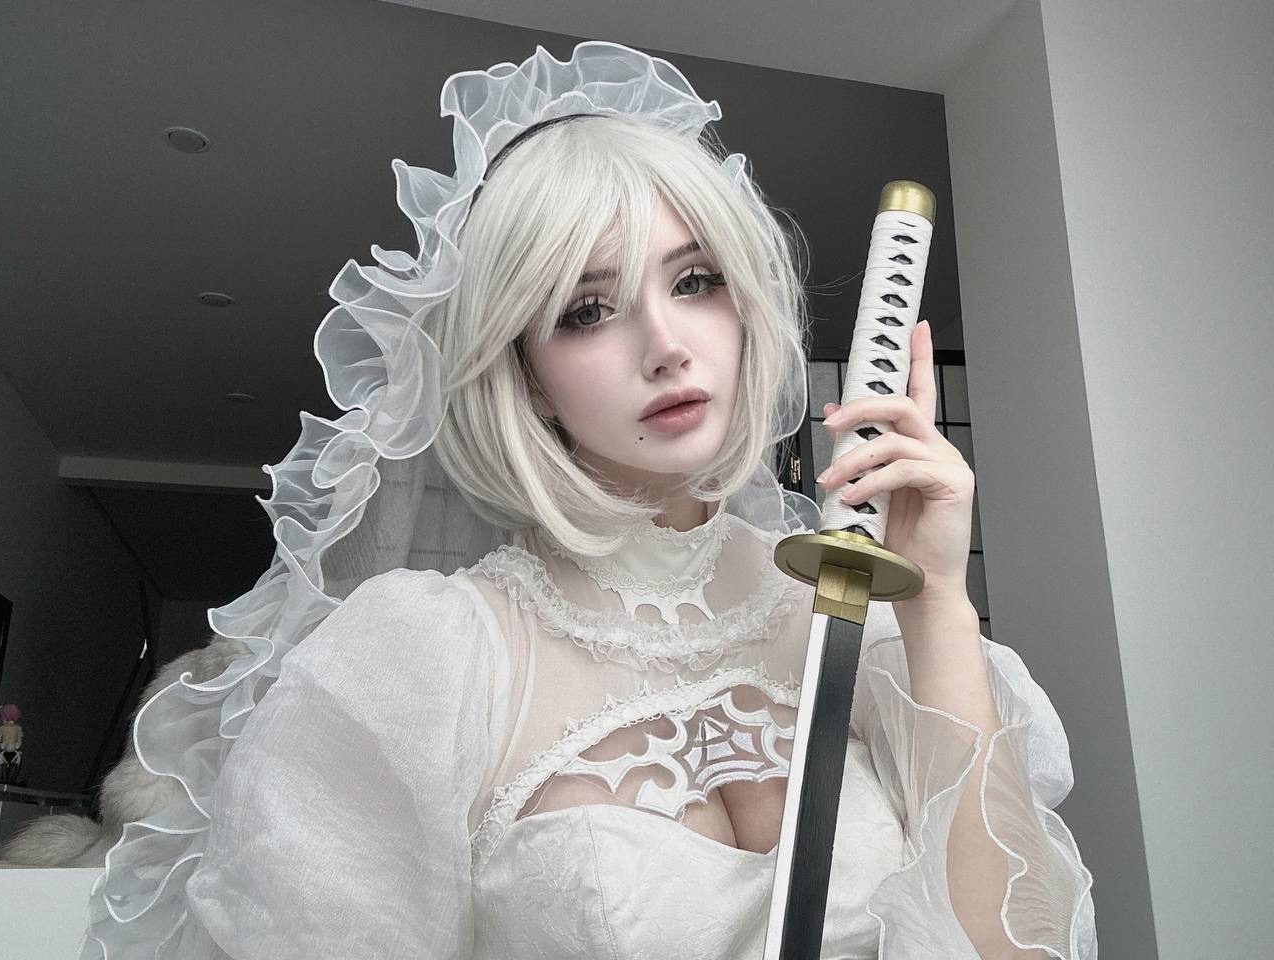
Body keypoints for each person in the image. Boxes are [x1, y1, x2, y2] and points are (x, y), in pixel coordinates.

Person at [81, 40, 1096, 959]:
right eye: (586, 310)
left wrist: (935, 600)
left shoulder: (864, 629)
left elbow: (1018, 949)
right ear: (524, 375)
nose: (665, 344)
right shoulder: (425, 663)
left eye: (694, 282)